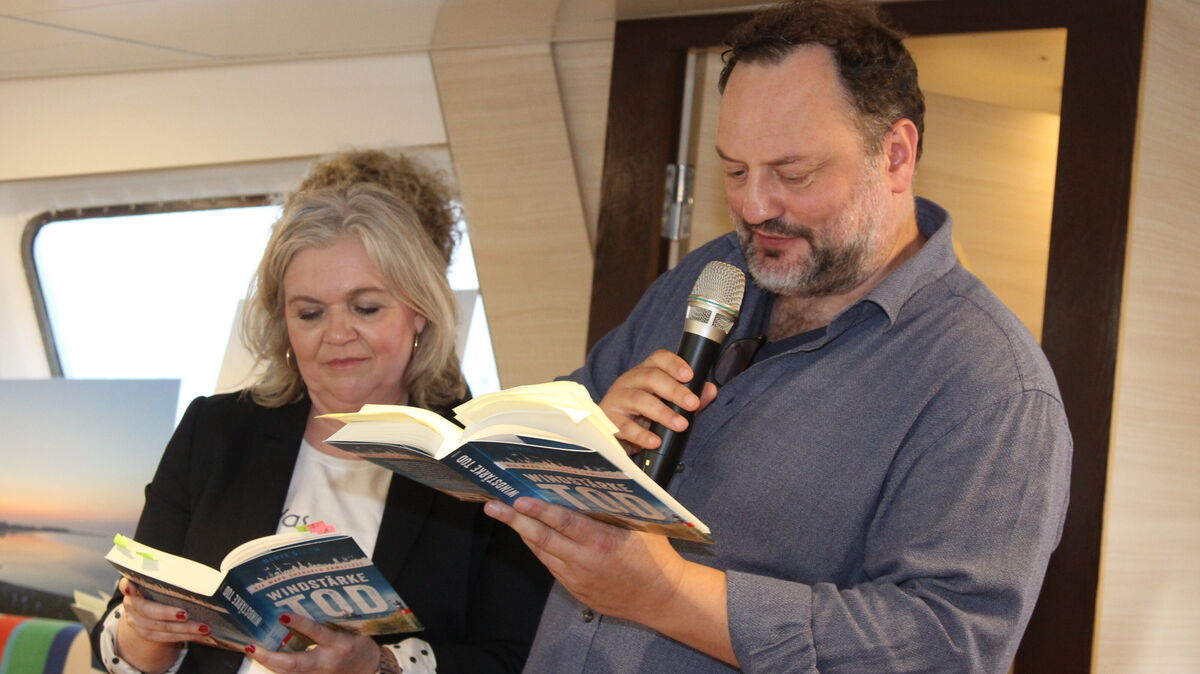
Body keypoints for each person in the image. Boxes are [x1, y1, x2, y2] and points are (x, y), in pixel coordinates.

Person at [484, 1, 1073, 672]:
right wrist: (582, 429)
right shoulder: (712, 276)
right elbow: (529, 443)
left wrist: (666, 593)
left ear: (897, 156)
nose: (755, 205)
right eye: (734, 170)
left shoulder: (991, 385)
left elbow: (946, 645)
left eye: (793, 174)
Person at [92, 183, 551, 674]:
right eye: (309, 313)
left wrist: (381, 666)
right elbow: (116, 645)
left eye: (366, 308)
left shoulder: (483, 458)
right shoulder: (216, 432)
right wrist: (144, 637)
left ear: (418, 312)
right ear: (284, 323)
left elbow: (518, 659)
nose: (337, 334)